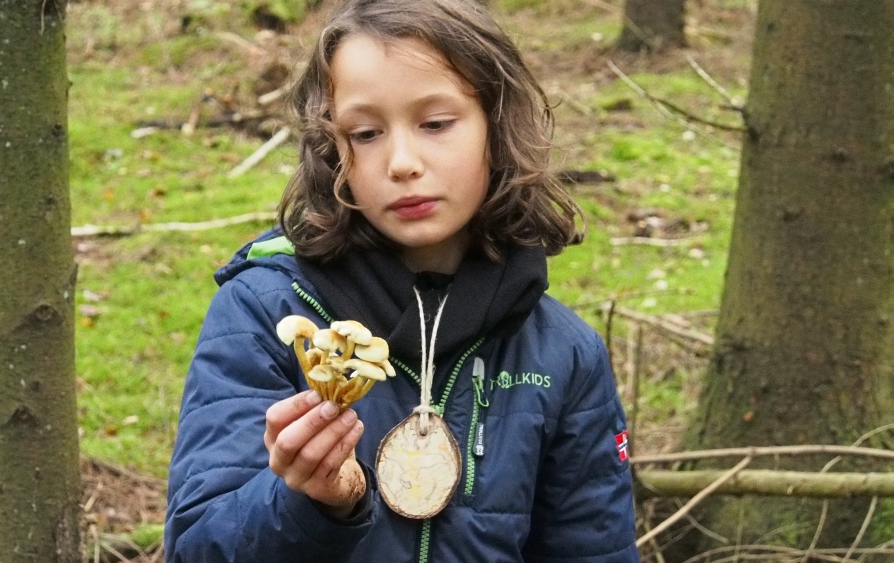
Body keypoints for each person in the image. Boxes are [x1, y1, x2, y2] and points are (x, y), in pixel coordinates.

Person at [164, 0, 639, 560]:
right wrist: (311, 501)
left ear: (497, 124)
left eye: (436, 124)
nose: (402, 162)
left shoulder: (563, 353)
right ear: (332, 150)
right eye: (365, 133)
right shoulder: (266, 315)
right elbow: (196, 547)